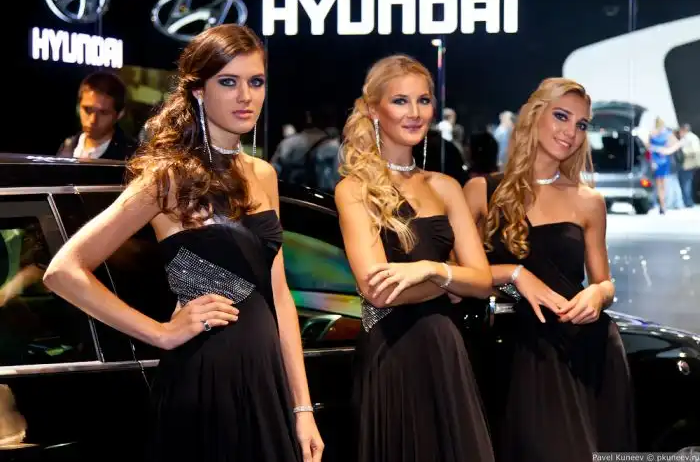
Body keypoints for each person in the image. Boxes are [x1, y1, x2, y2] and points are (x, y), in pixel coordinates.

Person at [43, 24, 323, 462]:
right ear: (198, 91)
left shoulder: (263, 174)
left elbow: (280, 296)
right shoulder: (168, 177)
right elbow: (63, 270)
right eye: (227, 82)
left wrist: (302, 407)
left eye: (255, 81)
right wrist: (160, 332)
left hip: (265, 378)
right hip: (205, 378)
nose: (245, 96)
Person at [463, 77, 636, 462]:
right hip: (516, 349)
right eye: (561, 116)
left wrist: (597, 293)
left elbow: (604, 282)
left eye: (581, 124)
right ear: (534, 116)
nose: (571, 132)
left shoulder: (589, 201)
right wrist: (513, 274)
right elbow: (456, 277)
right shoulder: (482, 191)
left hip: (585, 349)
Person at [335, 54, 495, 462]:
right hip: (391, 353)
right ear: (374, 110)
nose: (415, 113)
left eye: (423, 100)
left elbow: (482, 282)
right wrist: (450, 279)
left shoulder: (445, 186)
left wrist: (430, 269)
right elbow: (379, 291)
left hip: (445, 349)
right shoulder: (354, 189)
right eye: (400, 101)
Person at [57, 71, 137, 160]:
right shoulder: (67, 146)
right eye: (87, 110)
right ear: (78, 107)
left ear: (119, 114)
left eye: (103, 112)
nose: (93, 120)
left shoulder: (132, 156)